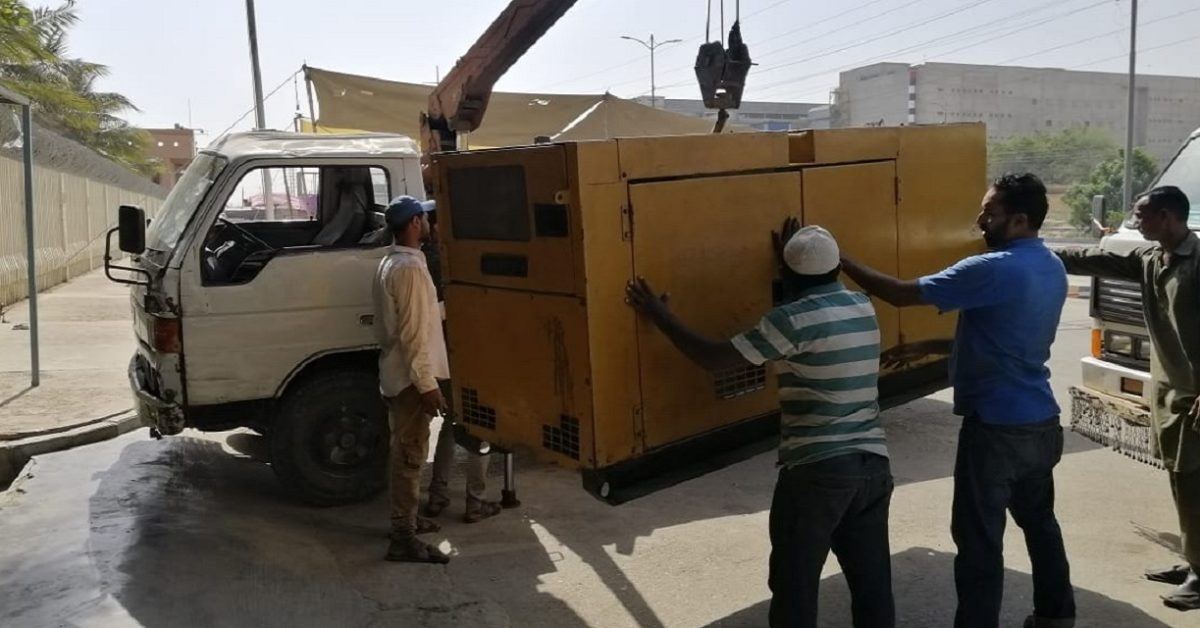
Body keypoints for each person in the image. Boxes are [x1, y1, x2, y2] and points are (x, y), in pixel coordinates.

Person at [626, 222, 894, 628]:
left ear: (785, 276)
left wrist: (659, 313)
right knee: (871, 583)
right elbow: (813, 287)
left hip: (817, 470)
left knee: (794, 583)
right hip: (873, 467)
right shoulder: (861, 305)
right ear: (837, 267)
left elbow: (714, 358)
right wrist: (796, 260)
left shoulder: (790, 321)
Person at [840, 173, 1075, 628]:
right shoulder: (1051, 266)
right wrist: (927, 348)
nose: (980, 219)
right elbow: (1008, 339)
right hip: (1041, 422)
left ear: (1020, 219)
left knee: (979, 540)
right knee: (1041, 525)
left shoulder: (991, 268)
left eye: (990, 212)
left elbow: (900, 294)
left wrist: (840, 257)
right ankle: (1056, 615)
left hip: (996, 431)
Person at [1057, 185, 1200, 611]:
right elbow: (1095, 260)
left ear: (1169, 217)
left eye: (1143, 215)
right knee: (1181, 478)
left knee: (1195, 481)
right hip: (1168, 392)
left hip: (1195, 396)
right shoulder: (1151, 259)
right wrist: (1044, 252)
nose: (1136, 222)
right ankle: (1193, 559)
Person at [374, 195, 451, 564]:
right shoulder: (408, 270)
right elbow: (413, 335)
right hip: (410, 381)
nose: (430, 222)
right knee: (409, 457)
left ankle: (408, 520)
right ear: (416, 223)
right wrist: (428, 385)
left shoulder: (393, 263)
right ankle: (402, 537)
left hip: (399, 374)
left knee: (407, 453)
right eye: (426, 217)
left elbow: (419, 316)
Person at [420, 203, 503, 524]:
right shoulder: (455, 259)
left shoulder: (422, 259)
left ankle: (438, 496)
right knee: (480, 425)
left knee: (451, 427)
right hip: (469, 352)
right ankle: (475, 501)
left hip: (440, 356)